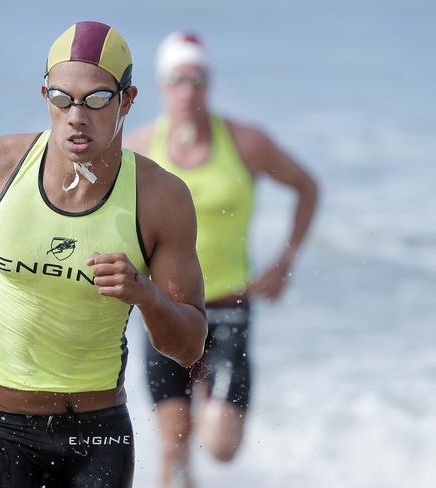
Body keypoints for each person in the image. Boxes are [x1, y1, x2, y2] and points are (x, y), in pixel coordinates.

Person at [0, 21, 208, 488]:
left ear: (127, 100)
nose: (76, 116)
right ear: (45, 95)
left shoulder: (161, 199)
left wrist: (145, 295)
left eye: (97, 100)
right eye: (62, 98)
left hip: (99, 435)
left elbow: (188, 346)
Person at [125, 32, 319, 487]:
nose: (188, 90)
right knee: (174, 444)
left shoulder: (247, 144)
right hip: (166, 310)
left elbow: (307, 187)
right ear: (161, 85)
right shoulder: (136, 149)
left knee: (221, 445)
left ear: (209, 84)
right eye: (177, 80)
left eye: (197, 79)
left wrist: (283, 262)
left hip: (230, 309)